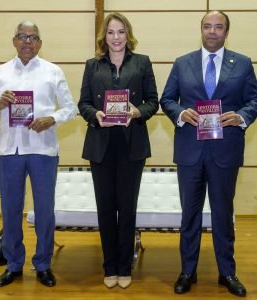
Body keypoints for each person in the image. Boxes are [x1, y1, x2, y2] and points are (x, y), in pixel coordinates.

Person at [160, 10, 257, 296]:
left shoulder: (242, 63)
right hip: (190, 151)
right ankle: (187, 271)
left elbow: (255, 100)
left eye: (219, 27)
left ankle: (227, 273)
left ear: (227, 32)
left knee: (223, 214)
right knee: (189, 216)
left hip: (224, 151)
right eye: (208, 26)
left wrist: (240, 117)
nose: (213, 31)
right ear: (201, 30)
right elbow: (167, 98)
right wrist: (181, 113)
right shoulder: (183, 63)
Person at [0, 20, 77, 288]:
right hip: (9, 150)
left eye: (33, 37)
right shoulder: (1, 72)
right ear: (14, 40)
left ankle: (43, 264)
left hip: (43, 149)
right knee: (11, 210)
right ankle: (13, 265)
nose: (27, 41)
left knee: (45, 211)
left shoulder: (53, 71)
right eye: (22, 36)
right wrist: (0, 104)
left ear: (40, 43)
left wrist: (52, 118)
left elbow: (70, 108)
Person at [78, 12, 159, 289]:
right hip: (100, 145)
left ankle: (125, 267)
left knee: (127, 209)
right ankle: (109, 266)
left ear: (128, 35)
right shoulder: (92, 65)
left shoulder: (142, 63)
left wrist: (137, 111)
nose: (116, 37)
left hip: (131, 145)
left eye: (121, 32)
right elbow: (84, 103)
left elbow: (153, 101)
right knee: (105, 209)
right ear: (105, 36)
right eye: (111, 32)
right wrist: (95, 114)